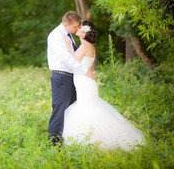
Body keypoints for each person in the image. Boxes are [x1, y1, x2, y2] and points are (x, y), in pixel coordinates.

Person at [62, 20, 145, 151]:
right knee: (89, 108)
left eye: (81, 28)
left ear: (84, 34)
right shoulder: (88, 46)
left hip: (84, 82)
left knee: (87, 110)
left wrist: (67, 46)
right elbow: (84, 64)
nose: (78, 28)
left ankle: (93, 139)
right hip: (85, 81)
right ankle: (93, 137)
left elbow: (71, 63)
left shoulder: (84, 47)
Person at [47, 11, 91, 146]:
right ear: (66, 25)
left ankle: (69, 141)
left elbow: (73, 55)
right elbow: (65, 58)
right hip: (61, 77)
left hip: (71, 77)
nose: (77, 29)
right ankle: (54, 144)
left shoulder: (68, 35)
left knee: (71, 110)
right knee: (60, 111)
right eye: (75, 27)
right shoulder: (56, 35)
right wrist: (83, 70)